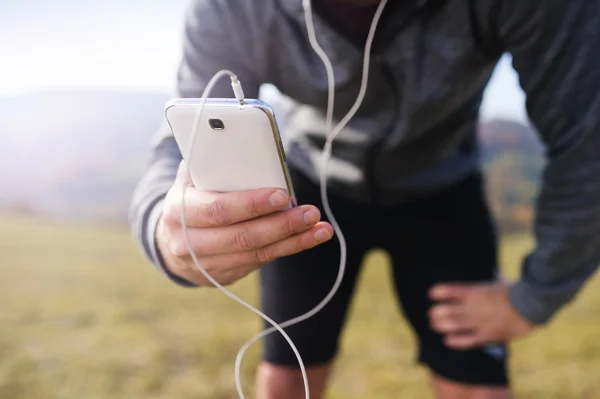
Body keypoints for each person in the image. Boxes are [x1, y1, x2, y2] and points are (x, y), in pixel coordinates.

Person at [129, 0, 600, 398]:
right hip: (307, 191)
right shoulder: (235, 9)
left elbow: (587, 139)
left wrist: (534, 298)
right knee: (287, 375)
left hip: (444, 193)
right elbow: (181, 141)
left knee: (475, 380)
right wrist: (163, 231)